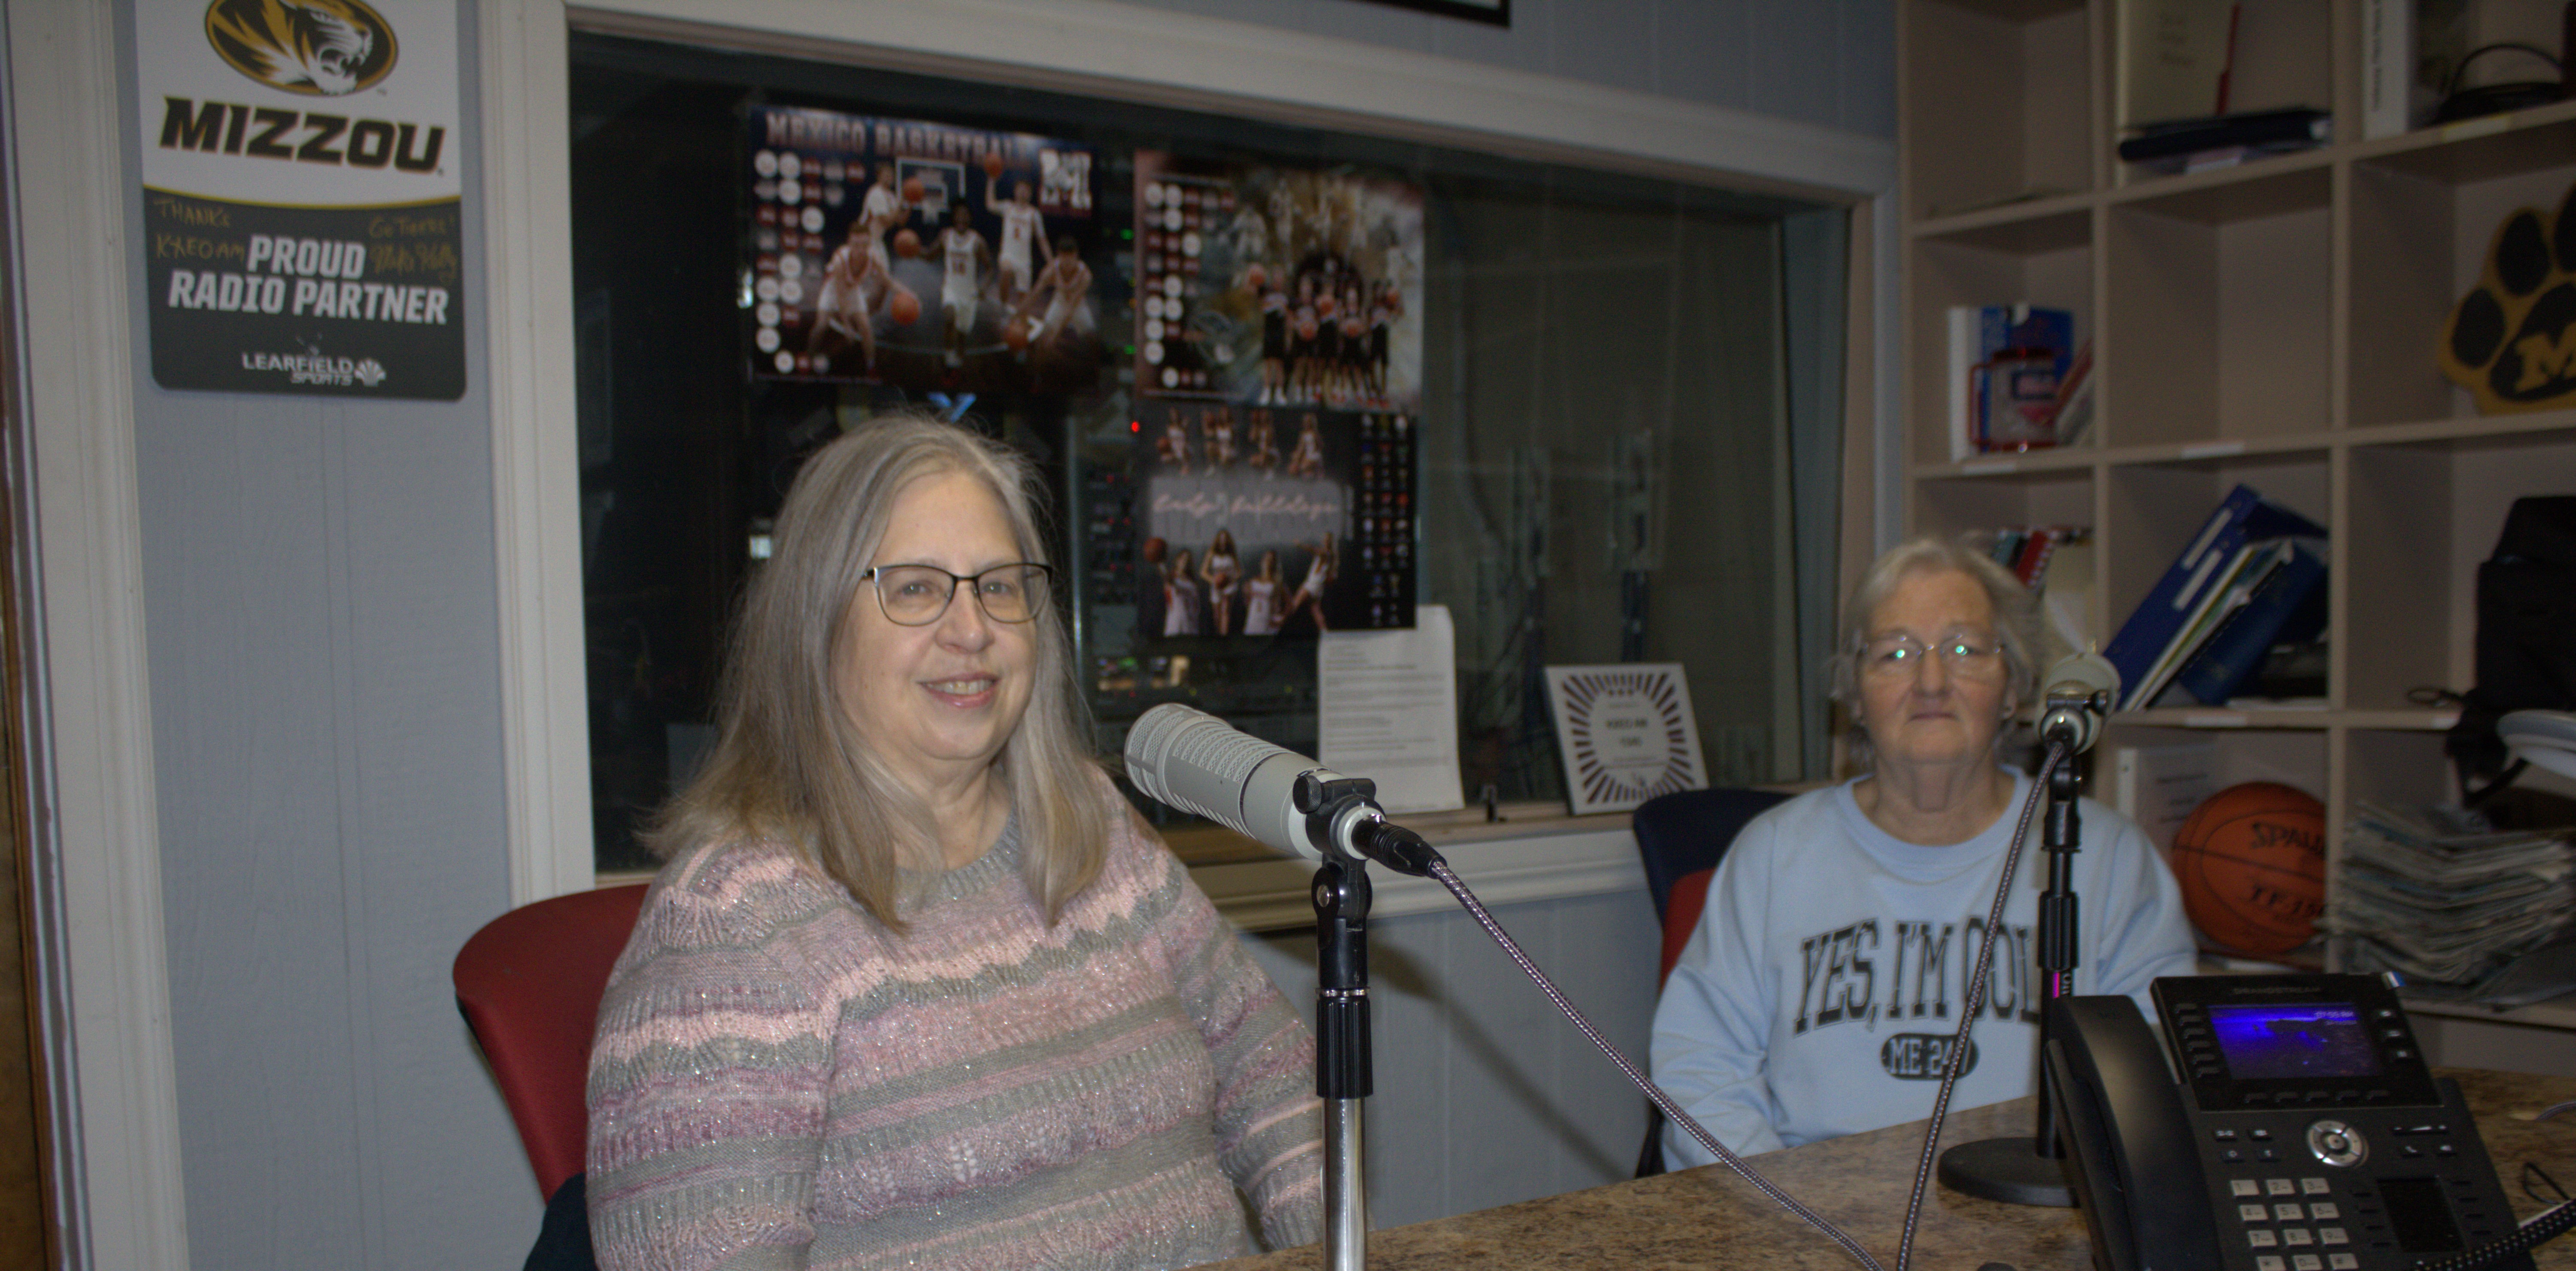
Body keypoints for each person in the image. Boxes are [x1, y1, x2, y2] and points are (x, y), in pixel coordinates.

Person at [587, 415, 1323, 1270]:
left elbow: (1270, 1074)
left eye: (999, 586)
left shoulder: (1091, 824)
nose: (971, 628)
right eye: (914, 588)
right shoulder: (731, 927)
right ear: (816, 626)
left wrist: (1326, 1249)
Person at [1649, 537, 2195, 1167]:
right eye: (1895, 653)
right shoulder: (1772, 855)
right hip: (1809, 1213)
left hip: (2029, 1207)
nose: (1931, 682)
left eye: (1965, 650)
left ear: (2014, 686)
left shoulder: (2104, 859)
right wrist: (1787, 1219)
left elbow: (2151, 1076)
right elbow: (1701, 1069)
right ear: (1855, 693)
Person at [934, 201, 989, 368]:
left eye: (965, 215)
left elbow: (990, 268)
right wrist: (915, 250)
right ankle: (949, 357)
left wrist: (984, 287)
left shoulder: (977, 241)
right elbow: (931, 254)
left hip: (969, 293)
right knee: (949, 318)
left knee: (963, 333)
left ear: (970, 218)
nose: (961, 218)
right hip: (951, 287)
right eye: (958, 214)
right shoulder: (946, 236)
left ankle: (958, 359)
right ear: (954, 217)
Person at [986, 177, 1049, 308]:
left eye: (1026, 190)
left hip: (1024, 260)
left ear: (1030, 194)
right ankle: (1003, 305)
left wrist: (1051, 262)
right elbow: (990, 205)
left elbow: (1042, 240)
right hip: (1008, 255)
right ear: (1015, 191)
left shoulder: (1034, 214)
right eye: (1020, 189)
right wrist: (991, 181)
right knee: (1006, 270)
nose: (1022, 193)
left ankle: (1019, 319)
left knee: (1023, 302)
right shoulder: (1008, 207)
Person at [1201, 529, 1241, 636]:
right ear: (1218, 540)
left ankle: (1224, 637)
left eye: (1225, 539)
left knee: (1226, 611)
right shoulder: (1212, 553)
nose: (1223, 541)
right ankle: (1218, 636)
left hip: (1229, 586)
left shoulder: (1231, 553)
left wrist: (1231, 580)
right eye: (1221, 539)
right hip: (1216, 586)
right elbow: (1203, 572)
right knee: (1217, 615)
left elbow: (1239, 572)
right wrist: (1214, 581)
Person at [1162, 544, 1202, 636]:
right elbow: (1170, 586)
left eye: (1188, 560)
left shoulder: (1192, 582)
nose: (1185, 562)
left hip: (1190, 622)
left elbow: (1196, 602)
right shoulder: (1172, 578)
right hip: (1176, 620)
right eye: (1183, 559)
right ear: (1177, 560)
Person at [1242, 549, 1282, 636]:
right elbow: (1247, 601)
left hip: (1266, 616)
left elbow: (1279, 605)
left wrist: (1278, 619)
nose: (1268, 562)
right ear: (1262, 561)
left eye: (1271, 560)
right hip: (1253, 614)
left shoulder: (1276, 583)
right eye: (1266, 559)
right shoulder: (1252, 581)